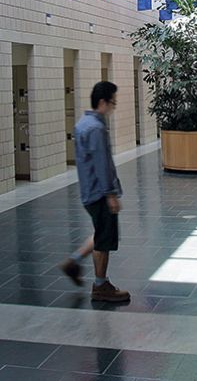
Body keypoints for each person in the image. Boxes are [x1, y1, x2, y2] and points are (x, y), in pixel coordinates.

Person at [58, 81, 130, 303]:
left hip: (88, 190)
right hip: (100, 192)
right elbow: (102, 164)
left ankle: (74, 261)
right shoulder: (97, 128)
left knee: (101, 232)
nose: (114, 107)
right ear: (102, 102)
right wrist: (111, 195)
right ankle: (101, 285)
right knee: (104, 239)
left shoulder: (83, 123)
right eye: (113, 103)